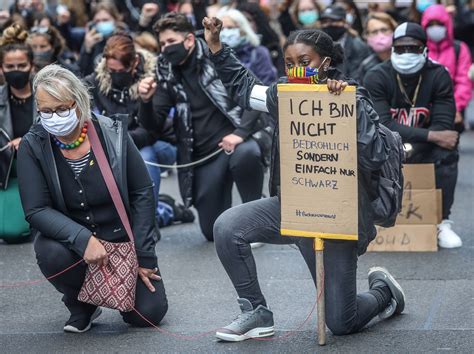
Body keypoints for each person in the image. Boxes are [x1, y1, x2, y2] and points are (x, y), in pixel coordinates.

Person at [202, 17, 406, 341]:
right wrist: (215, 46)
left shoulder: (353, 97)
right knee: (227, 227)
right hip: (293, 208)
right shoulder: (281, 94)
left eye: (304, 61)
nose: (295, 69)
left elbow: (376, 155)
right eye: (289, 63)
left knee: (341, 322)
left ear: (325, 63)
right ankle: (256, 311)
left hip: (337, 218)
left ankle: (384, 293)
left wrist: (345, 106)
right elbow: (243, 88)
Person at [17, 64, 168, 333]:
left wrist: (145, 257)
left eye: (62, 108)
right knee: (49, 251)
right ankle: (81, 304)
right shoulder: (33, 143)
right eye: (46, 111)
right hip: (73, 246)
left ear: (79, 101)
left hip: (123, 241)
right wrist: (82, 239)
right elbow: (36, 209)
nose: (55, 117)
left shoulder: (112, 132)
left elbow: (142, 191)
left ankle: (109, 290)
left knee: (148, 315)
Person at [138, 13, 265, 241]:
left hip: (234, 144)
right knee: (212, 232)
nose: (166, 48)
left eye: (170, 42)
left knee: (247, 153)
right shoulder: (164, 68)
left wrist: (240, 133)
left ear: (188, 40)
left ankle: (255, 212)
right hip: (201, 155)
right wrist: (145, 101)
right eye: (162, 43)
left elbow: (255, 92)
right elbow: (153, 126)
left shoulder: (214, 54)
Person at [363, 22, 462, 248]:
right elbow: (382, 124)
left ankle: (442, 221)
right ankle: (373, 221)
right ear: (392, 49)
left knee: (447, 152)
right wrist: (429, 137)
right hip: (386, 147)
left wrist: (420, 142)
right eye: (400, 48)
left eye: (413, 48)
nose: (406, 53)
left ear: (425, 50)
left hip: (423, 147)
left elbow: (444, 127)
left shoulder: (438, 75)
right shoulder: (377, 75)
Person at [83, 34, 181, 221]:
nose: (116, 75)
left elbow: (150, 130)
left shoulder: (154, 78)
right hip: (116, 145)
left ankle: (149, 221)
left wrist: (145, 101)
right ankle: (161, 208)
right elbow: (76, 90)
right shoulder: (97, 80)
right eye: (111, 70)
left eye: (121, 70)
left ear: (135, 62)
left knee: (144, 158)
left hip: (157, 144)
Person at [421, 4, 472, 131]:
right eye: (430, 24)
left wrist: (454, 107)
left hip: (454, 109)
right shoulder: (420, 49)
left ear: (447, 25)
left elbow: (464, 81)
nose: (435, 28)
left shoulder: (459, 48)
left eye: (439, 24)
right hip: (423, 111)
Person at [218, 8, 277, 85]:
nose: (225, 32)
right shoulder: (217, 57)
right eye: (221, 29)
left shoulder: (259, 53)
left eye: (230, 28)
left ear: (243, 29)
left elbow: (267, 84)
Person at [0, 24, 36, 152]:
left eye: (22, 66)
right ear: (1, 69)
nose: (16, 71)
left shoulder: (48, 98)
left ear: (31, 66)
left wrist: (29, 143)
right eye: (10, 67)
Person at [319, 4, 370, 82]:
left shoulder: (357, 46)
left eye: (333, 21)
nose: (328, 25)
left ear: (344, 22)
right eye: (325, 22)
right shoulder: (318, 44)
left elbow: (357, 78)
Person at [236, 2, 285, 76]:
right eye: (240, 21)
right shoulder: (229, 49)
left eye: (248, 20)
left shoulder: (272, 49)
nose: (244, 24)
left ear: (258, 22)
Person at [78, 3, 125, 76]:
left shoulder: (125, 38)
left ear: (115, 20)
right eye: (97, 21)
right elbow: (81, 72)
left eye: (105, 20)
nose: (101, 23)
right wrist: (87, 50)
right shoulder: (90, 41)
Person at [359, 12, 398, 81]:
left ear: (393, 31)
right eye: (374, 32)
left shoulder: (403, 61)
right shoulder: (367, 66)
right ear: (367, 36)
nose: (380, 36)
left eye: (384, 30)